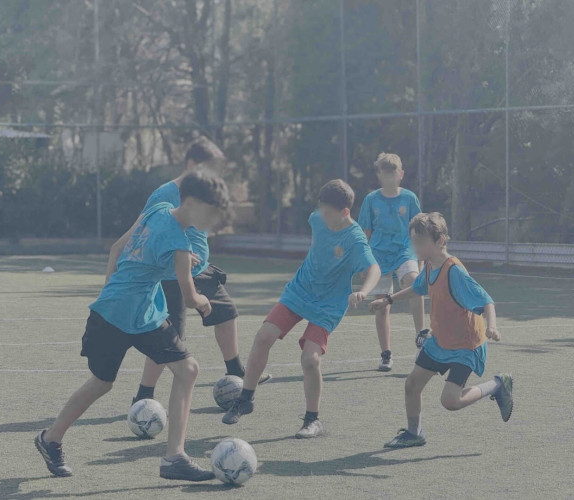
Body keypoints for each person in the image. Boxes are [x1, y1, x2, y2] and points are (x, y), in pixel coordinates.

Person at [35, 170, 231, 481]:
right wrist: (205, 302)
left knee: (187, 369)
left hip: (139, 314)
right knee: (102, 383)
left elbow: (119, 247)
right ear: (192, 202)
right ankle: (50, 438)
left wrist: (111, 286)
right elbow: (191, 297)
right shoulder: (180, 245)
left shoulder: (158, 209)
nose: (214, 223)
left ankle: (174, 458)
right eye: (212, 214)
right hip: (117, 315)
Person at [104, 137, 270, 408]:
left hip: (201, 270)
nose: (216, 173)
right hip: (171, 276)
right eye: (211, 167)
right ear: (192, 164)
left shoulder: (206, 191)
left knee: (226, 313)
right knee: (170, 338)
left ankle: (236, 371)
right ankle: (144, 395)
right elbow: (146, 230)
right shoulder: (164, 194)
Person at [222, 179, 381, 439]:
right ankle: (245, 399)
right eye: (321, 209)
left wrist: (363, 290)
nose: (322, 215)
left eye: (328, 212)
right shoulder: (316, 219)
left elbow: (374, 268)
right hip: (299, 291)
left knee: (310, 359)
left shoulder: (355, 239)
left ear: (345, 212)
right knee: (263, 337)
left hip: (328, 305)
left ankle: (312, 419)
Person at [370, 212, 513, 449]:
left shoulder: (454, 271)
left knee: (450, 401)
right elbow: (418, 288)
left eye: (420, 242)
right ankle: (414, 433)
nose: (415, 247)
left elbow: (487, 301)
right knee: (412, 385)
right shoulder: (429, 266)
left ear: (440, 241)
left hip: (465, 345)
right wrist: (388, 300)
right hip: (440, 341)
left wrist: (492, 327)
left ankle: (497, 386)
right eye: (413, 241)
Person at [358, 152, 430, 371]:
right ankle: (386, 354)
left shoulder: (409, 198)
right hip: (378, 255)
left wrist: (421, 258)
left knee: (414, 282)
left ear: (401, 174)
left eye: (393, 173)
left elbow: (419, 229)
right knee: (382, 304)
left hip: (404, 251)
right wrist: (363, 263)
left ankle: (421, 340)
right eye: (385, 173)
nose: (389, 177)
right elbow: (365, 233)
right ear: (379, 175)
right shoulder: (371, 200)